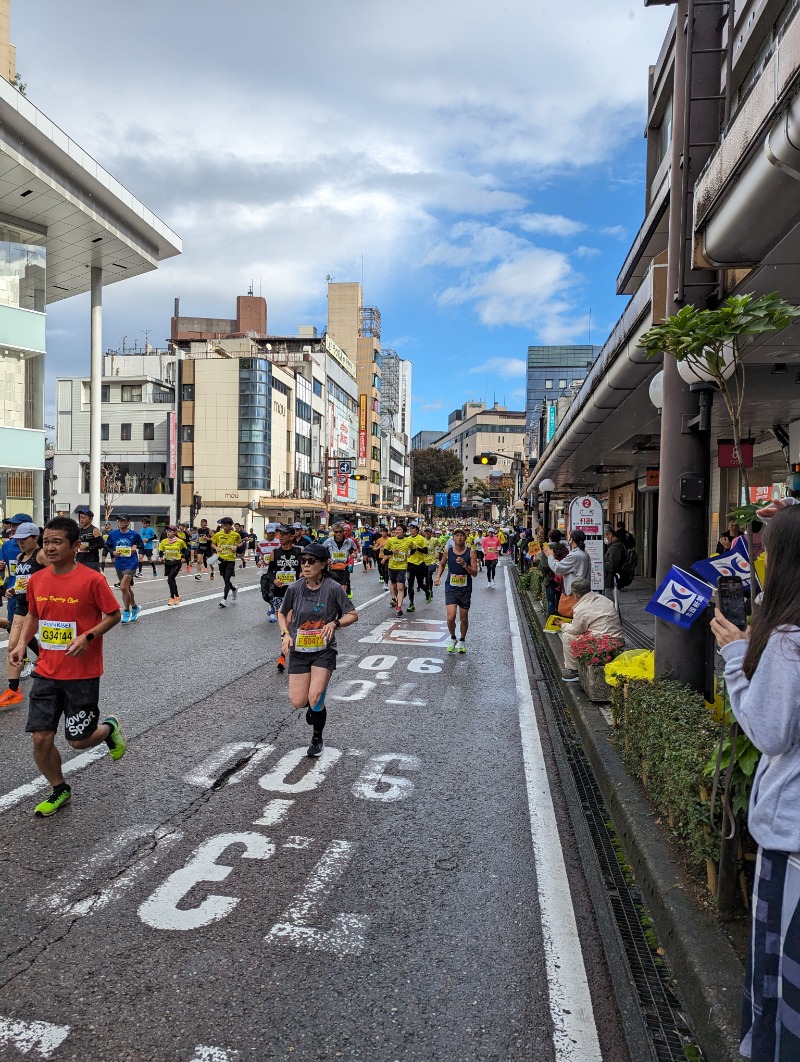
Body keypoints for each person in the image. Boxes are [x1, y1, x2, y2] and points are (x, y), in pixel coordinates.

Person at [710, 503, 800, 1059]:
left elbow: (769, 732)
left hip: (790, 842)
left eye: (766, 552)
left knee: (778, 983)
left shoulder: (789, 641)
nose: (758, 561)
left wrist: (737, 653)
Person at [8, 516, 125, 817]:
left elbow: (113, 614)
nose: (50, 547)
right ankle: (59, 788)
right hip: (47, 670)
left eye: (57, 542)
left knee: (78, 741)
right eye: (47, 541)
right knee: (40, 738)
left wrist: (88, 636)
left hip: (82, 674)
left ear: (75, 546)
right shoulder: (37, 579)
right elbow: (34, 614)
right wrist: (22, 643)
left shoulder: (92, 579)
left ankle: (109, 728)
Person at [278, 542, 358, 758]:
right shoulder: (295, 588)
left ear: (323, 564)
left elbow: (352, 614)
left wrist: (335, 624)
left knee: (315, 698)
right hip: (300, 651)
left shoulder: (332, 588)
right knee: (298, 701)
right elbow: (282, 612)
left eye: (311, 561)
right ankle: (314, 710)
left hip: (324, 650)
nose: (305, 565)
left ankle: (317, 736)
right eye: (303, 561)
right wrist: (285, 634)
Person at [0, 522, 45, 707]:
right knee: (12, 646)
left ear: (35, 537)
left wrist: (35, 582)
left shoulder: (41, 555)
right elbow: (22, 580)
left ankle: (15, 688)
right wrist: (12, 589)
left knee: (20, 643)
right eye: (18, 539)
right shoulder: (20, 556)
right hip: (20, 603)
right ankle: (13, 690)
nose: (20, 543)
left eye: (24, 539)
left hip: (36, 606)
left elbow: (55, 574)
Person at [558, 578, 624, 682]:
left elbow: (576, 630)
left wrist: (563, 625)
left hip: (601, 641)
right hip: (618, 639)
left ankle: (574, 671)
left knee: (567, 636)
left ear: (576, 594)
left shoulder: (581, 609)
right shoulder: (605, 599)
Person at [262, 526, 303, 668]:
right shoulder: (275, 553)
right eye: (279, 534)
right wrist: (274, 580)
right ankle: (286, 649)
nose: (280, 537)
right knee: (284, 624)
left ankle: (283, 655)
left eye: (284, 534)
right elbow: (269, 572)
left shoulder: (299, 552)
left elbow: (305, 568)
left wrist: (302, 574)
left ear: (291, 537)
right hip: (280, 592)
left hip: (295, 591)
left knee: (290, 621)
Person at [435, 527, 477, 653]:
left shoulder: (471, 552)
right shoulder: (448, 551)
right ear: (453, 538)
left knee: (463, 618)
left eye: (462, 535)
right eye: (457, 535)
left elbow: (474, 573)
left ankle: (462, 640)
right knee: (451, 617)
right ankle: (453, 638)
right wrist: (437, 578)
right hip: (451, 588)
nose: (459, 537)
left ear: (465, 537)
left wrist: (464, 565)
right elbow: (442, 564)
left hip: (465, 589)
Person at [105, 514, 144, 623]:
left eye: (123, 520)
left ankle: (126, 611)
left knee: (122, 587)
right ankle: (135, 607)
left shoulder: (134, 534)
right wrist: (113, 552)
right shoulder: (113, 534)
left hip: (131, 563)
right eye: (119, 520)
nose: (120, 522)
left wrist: (135, 547)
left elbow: (141, 545)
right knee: (126, 588)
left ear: (128, 522)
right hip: (119, 563)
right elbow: (108, 546)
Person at [543, 527, 591, 596]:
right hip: (581, 591)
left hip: (574, 592)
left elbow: (557, 568)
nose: (568, 539)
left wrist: (550, 556)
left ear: (572, 539)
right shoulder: (584, 553)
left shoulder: (574, 555)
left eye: (569, 537)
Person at [322, 523, 358, 600]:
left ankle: (341, 608)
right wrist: (326, 559)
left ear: (343, 532)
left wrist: (354, 554)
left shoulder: (349, 541)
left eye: (340, 531)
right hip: (332, 569)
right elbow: (322, 550)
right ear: (333, 532)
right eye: (336, 532)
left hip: (344, 568)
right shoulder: (328, 541)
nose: (338, 533)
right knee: (333, 591)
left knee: (342, 591)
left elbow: (356, 549)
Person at [382, 523, 410, 616]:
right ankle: (398, 596)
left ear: (404, 532)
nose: (397, 531)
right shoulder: (391, 540)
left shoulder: (408, 541)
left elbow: (414, 549)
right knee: (394, 586)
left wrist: (410, 553)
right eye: (396, 530)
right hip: (392, 566)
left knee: (400, 587)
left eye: (400, 530)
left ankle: (398, 608)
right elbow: (385, 551)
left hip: (402, 567)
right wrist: (391, 552)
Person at [213, 517, 242, 607]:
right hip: (221, 559)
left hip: (230, 560)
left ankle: (224, 599)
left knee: (227, 578)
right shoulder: (218, 534)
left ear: (230, 525)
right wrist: (216, 548)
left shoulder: (235, 535)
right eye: (223, 525)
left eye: (227, 525)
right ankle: (233, 589)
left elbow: (240, 543)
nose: (225, 527)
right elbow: (212, 543)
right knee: (225, 579)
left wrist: (236, 546)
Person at [159, 525, 187, 606]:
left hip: (176, 563)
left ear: (175, 532)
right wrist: (161, 557)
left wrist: (182, 557)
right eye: (167, 531)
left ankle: (172, 598)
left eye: (170, 531)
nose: (168, 533)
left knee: (170, 579)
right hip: (168, 563)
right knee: (172, 580)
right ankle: (177, 596)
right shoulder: (164, 541)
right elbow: (161, 551)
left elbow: (185, 550)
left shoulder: (180, 541)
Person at [538, 530, 564, 616]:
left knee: (550, 602)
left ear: (549, 538)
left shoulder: (546, 549)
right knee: (560, 602)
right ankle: (560, 622)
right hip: (562, 579)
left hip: (549, 579)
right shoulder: (564, 548)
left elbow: (543, 566)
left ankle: (551, 623)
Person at [405, 523, 429, 613]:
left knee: (420, 584)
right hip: (410, 564)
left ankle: (427, 591)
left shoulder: (421, 539)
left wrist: (417, 548)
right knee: (410, 584)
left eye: (413, 528)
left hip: (420, 564)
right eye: (410, 528)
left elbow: (426, 551)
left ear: (417, 530)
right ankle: (411, 604)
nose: (411, 530)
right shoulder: (408, 539)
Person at [604, 527, 627, 593]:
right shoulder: (614, 546)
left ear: (610, 534)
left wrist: (601, 565)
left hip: (612, 580)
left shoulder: (615, 548)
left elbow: (612, 566)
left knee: (611, 600)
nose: (605, 538)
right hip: (611, 579)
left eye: (605, 536)